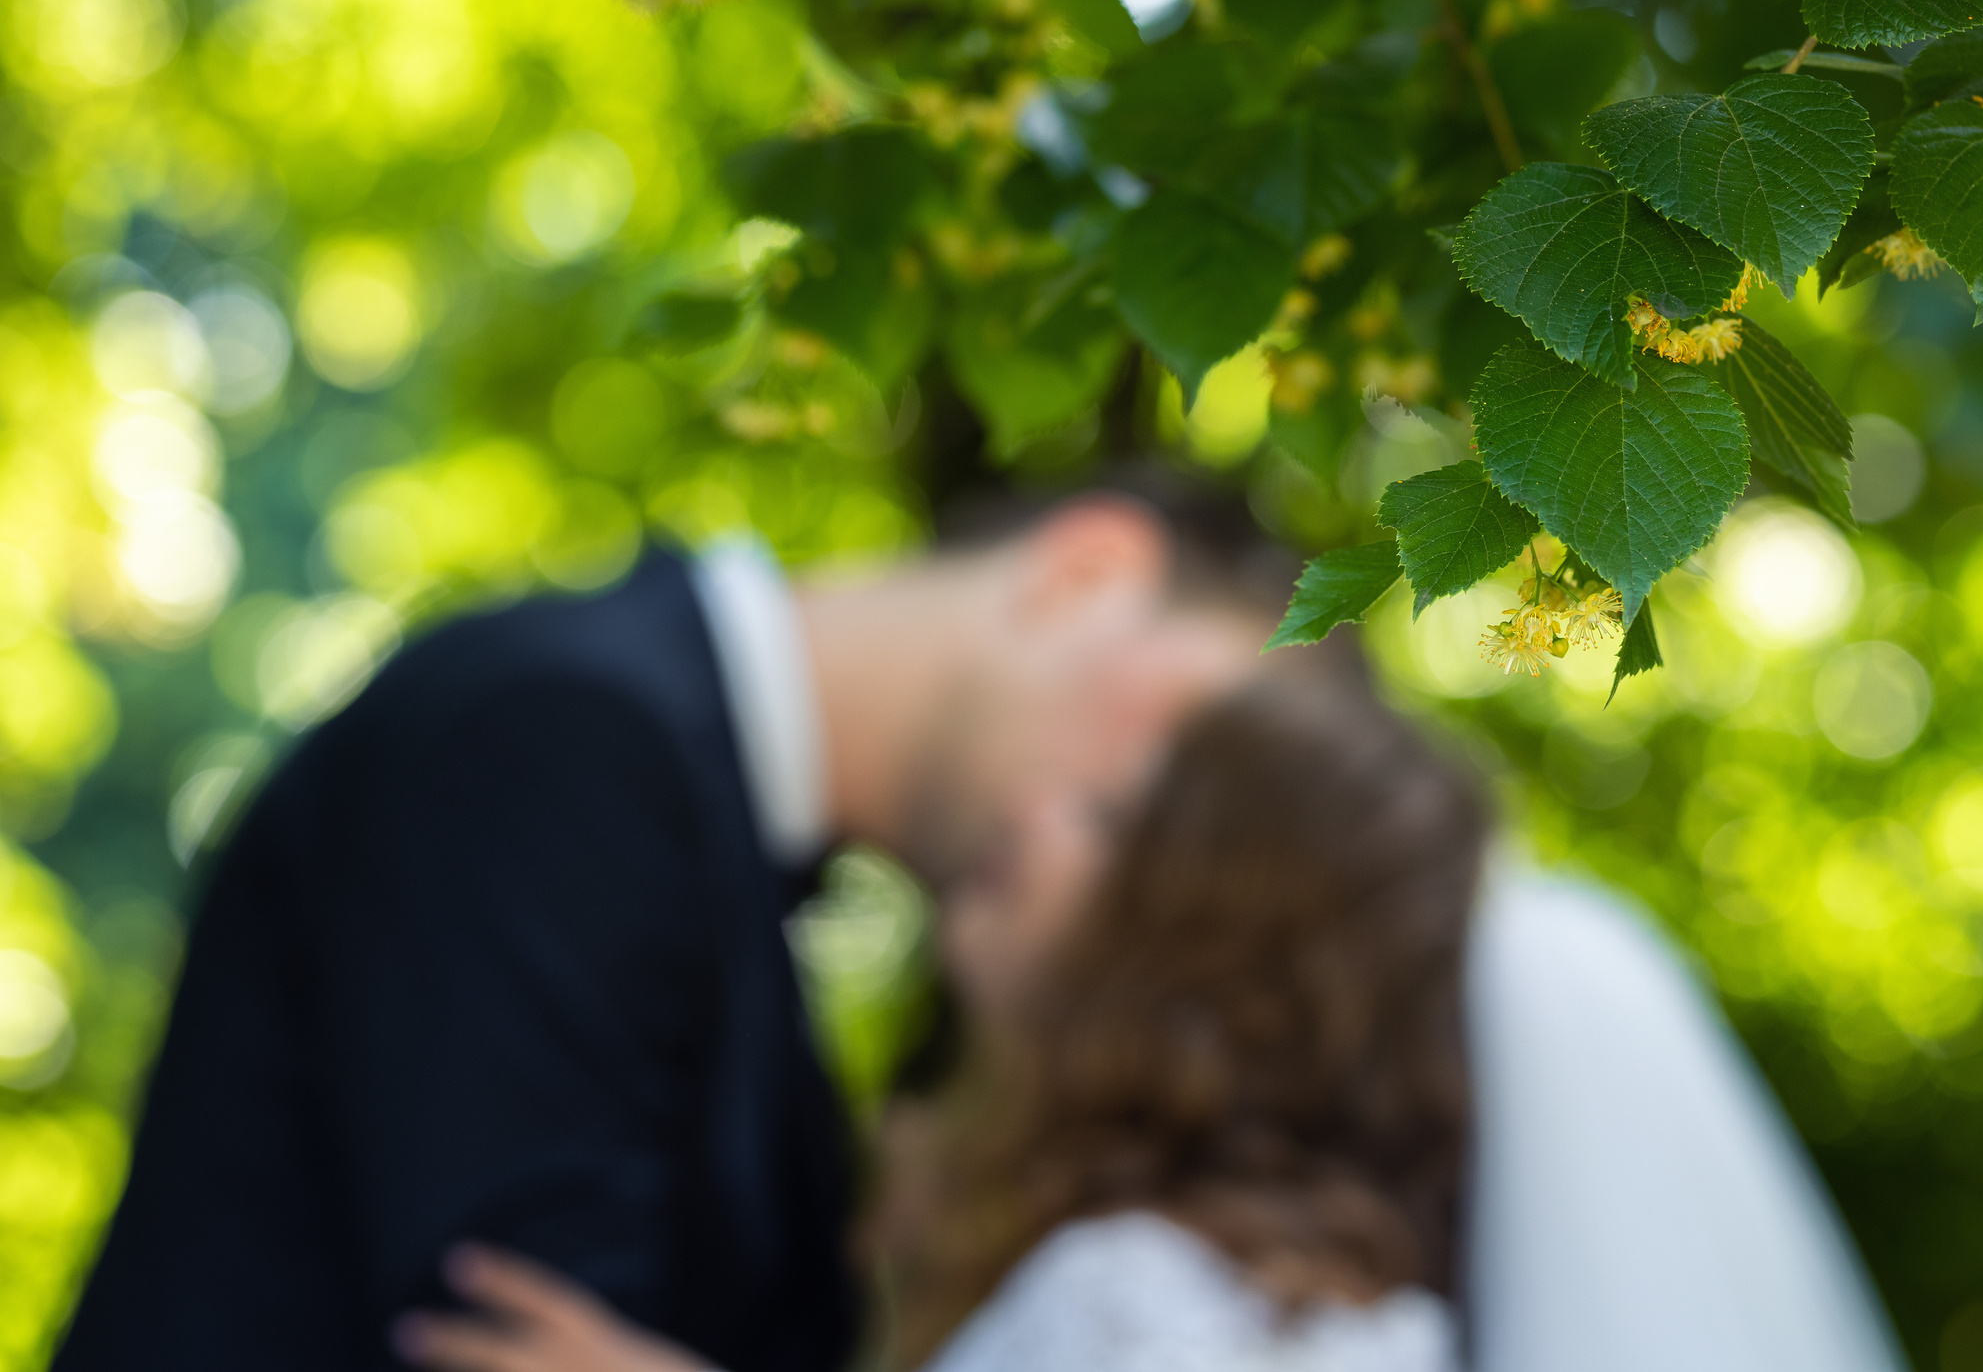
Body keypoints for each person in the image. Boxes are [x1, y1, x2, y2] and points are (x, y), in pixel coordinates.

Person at [57, 486, 1279, 1372]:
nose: (1174, 838)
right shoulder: (561, 733)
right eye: (1185, 745)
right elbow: (502, 1329)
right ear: (1088, 569)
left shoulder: (687, 796)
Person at [392, 668, 1486, 1372]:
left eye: (1109, 817)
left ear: (1215, 942)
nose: (1037, 811)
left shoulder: (1149, 1298)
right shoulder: (1226, 1285)